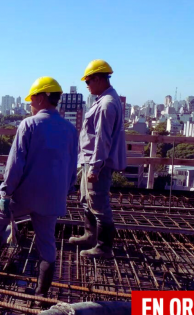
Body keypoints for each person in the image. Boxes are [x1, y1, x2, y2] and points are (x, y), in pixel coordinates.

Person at [0, 77, 77, 303]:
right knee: (47, 245)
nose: (30, 104)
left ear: (40, 97)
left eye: (32, 100)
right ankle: (41, 294)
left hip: (24, 195)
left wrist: (5, 193)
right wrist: (65, 191)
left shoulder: (29, 125)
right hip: (52, 199)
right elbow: (72, 166)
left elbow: (15, 165)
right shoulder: (70, 129)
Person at [69, 59, 126, 259]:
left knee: (99, 204)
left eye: (90, 80)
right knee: (87, 200)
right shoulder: (104, 99)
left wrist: (94, 168)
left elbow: (102, 139)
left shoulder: (107, 104)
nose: (87, 85)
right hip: (89, 160)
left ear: (100, 79)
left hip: (97, 163)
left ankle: (103, 247)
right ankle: (90, 235)